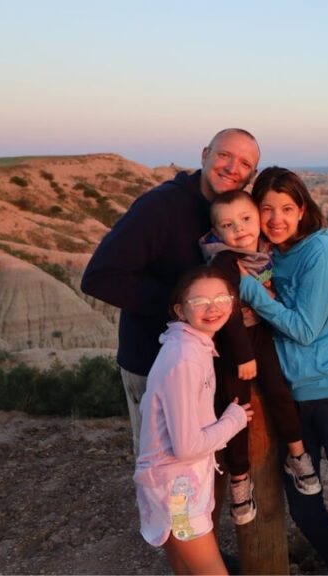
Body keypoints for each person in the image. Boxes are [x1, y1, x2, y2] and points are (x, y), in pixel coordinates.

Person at [80, 128, 260, 456]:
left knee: (198, 464)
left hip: (202, 365)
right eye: (224, 155)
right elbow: (99, 277)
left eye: (244, 163)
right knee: (164, 466)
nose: (233, 167)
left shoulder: (230, 214)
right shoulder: (161, 206)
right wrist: (185, 306)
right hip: (154, 364)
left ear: (252, 174)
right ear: (205, 155)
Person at [237, 166, 328, 574]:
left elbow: (304, 329)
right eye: (266, 209)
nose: (276, 218)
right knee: (303, 505)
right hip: (288, 400)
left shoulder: (319, 252)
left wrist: (248, 291)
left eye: (286, 208)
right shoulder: (267, 254)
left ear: (302, 210)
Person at [199, 191, 322, 525]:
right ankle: (240, 478)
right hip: (233, 343)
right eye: (228, 225)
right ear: (217, 233)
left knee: (279, 392)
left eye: (246, 219)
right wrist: (242, 354)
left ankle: (297, 454)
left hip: (263, 336)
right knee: (237, 411)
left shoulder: (265, 251)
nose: (239, 229)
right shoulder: (225, 261)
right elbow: (228, 309)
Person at [134, 266, 255, 575]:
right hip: (178, 493)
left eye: (221, 297)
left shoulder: (190, 346)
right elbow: (187, 447)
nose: (213, 308)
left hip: (170, 484)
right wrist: (234, 419)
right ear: (180, 309)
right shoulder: (185, 359)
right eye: (200, 301)